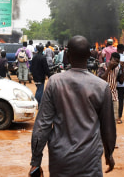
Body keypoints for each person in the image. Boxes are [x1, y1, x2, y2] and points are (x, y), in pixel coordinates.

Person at [30, 35, 116, 176]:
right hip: (90, 159)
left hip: (60, 159)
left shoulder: (54, 82)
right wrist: (109, 154)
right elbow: (108, 127)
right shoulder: (101, 86)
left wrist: (35, 162)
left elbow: (42, 125)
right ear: (89, 55)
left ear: (68, 55)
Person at [100, 52, 124, 123]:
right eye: (114, 61)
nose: (115, 63)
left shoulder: (118, 68)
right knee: (104, 118)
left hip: (114, 95)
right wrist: (109, 68)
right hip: (103, 95)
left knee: (114, 119)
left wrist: (122, 69)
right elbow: (101, 79)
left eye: (117, 62)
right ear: (110, 59)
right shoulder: (103, 66)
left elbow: (121, 81)